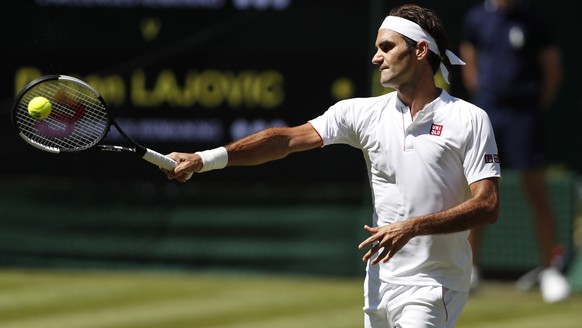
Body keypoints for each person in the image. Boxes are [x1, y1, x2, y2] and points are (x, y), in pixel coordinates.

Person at [164, 4, 501, 327]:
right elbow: (285, 140)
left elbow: (487, 205)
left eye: (387, 47)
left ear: (420, 51)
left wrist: (412, 227)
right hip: (380, 283)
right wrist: (203, 159)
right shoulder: (361, 114)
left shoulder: (468, 119)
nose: (376, 57)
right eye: (377, 48)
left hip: (434, 284)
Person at [459, 0, 570, 303]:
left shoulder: (535, 19)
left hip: (524, 115)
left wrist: (532, 108)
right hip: (488, 111)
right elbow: (469, 59)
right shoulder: (477, 18)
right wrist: (482, 98)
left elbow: (553, 70)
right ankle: (469, 271)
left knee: (537, 193)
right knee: (478, 192)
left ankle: (550, 272)